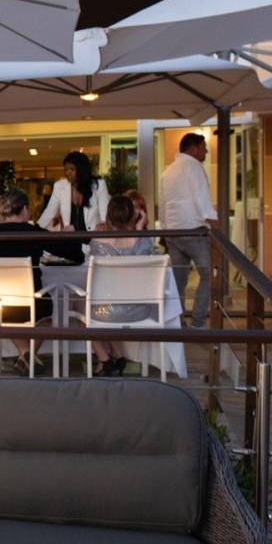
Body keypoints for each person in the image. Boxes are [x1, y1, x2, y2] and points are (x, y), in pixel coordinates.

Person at [0, 189, 85, 372]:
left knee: (2, 310)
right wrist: (69, 235)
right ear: (25, 209)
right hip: (29, 306)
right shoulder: (33, 233)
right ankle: (28, 353)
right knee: (47, 313)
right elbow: (75, 255)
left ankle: (24, 355)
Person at [88, 195, 158, 376]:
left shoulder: (97, 243)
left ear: (108, 217)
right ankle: (117, 357)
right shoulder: (144, 242)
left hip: (107, 311)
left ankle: (105, 359)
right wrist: (140, 228)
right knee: (99, 312)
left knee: (87, 316)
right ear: (133, 216)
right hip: (140, 310)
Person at [159, 132, 218, 328]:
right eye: (204, 147)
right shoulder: (194, 166)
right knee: (209, 274)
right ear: (193, 149)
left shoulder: (167, 172)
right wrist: (215, 224)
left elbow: (163, 203)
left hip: (173, 233)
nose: (206, 151)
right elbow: (201, 198)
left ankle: (177, 322)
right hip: (194, 231)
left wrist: (166, 230)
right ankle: (198, 321)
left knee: (178, 280)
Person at [39, 151, 110, 232]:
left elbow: (105, 216)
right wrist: (34, 231)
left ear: (82, 170)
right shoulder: (59, 186)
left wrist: (103, 226)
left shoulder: (99, 185)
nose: (67, 173)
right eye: (65, 169)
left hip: (93, 239)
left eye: (72, 169)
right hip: (70, 241)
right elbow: (48, 213)